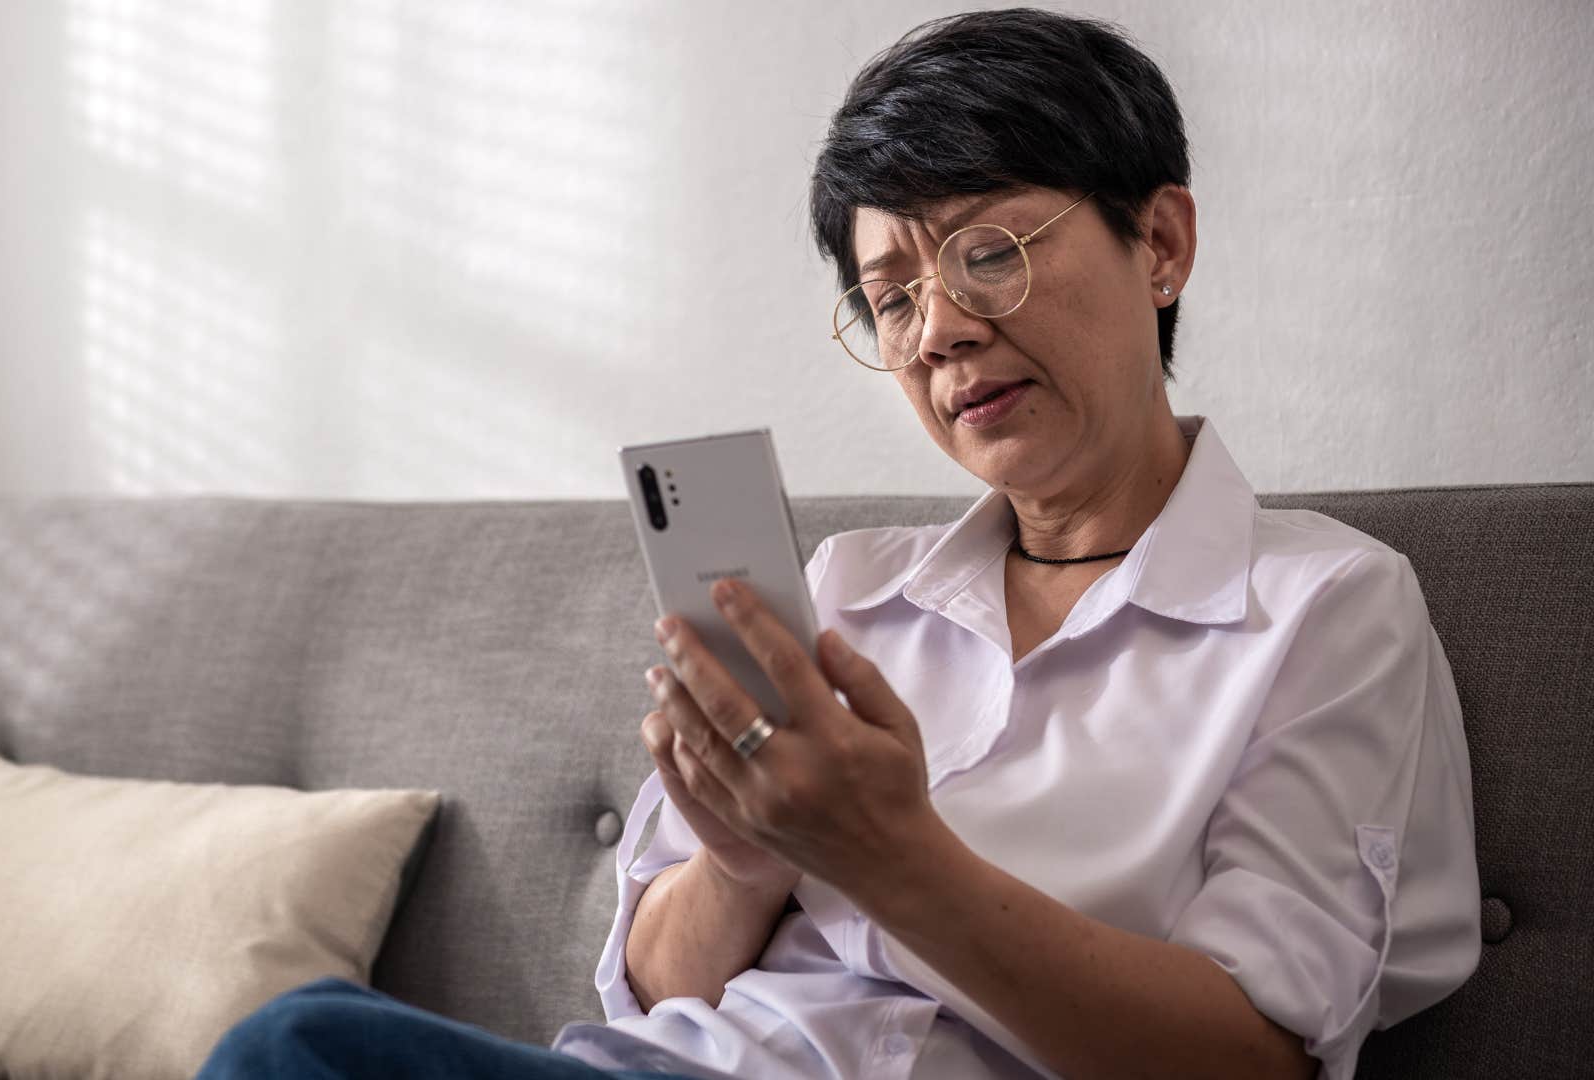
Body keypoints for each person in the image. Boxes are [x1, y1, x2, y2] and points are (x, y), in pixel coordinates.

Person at [197, 8, 1481, 1079]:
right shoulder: (846, 590)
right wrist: (749, 859)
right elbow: (653, 983)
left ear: (1161, 243)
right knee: (300, 1043)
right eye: (892, 297)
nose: (937, 334)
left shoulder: (1325, 608)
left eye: (988, 253)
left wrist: (885, 852)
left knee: (295, 1048)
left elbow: (1258, 1058)